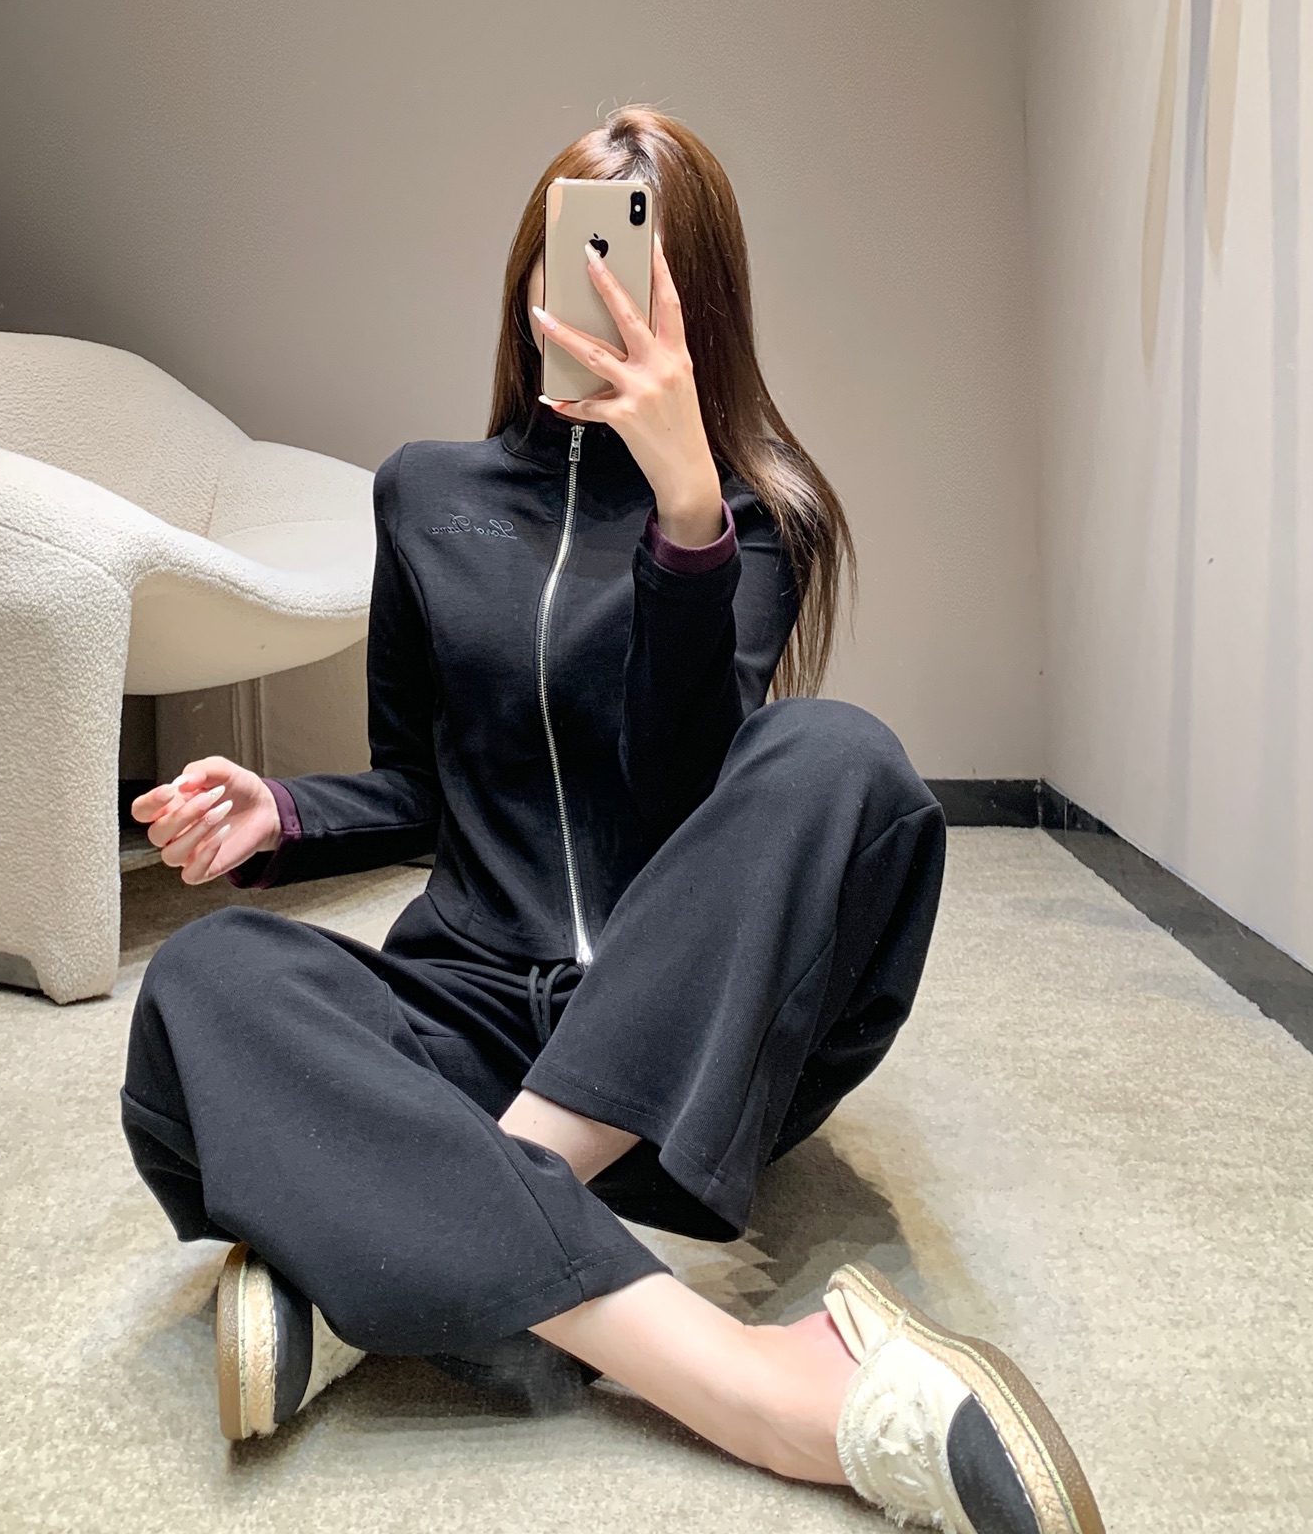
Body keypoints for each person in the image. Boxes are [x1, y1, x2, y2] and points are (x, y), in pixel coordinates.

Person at [123, 109, 1102, 1534]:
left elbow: (689, 783)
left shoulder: (761, 515)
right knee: (211, 976)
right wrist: (279, 810)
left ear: (697, 304)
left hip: (688, 1045)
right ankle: (757, 1383)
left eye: (635, 269)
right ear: (528, 277)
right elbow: (418, 784)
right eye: (567, 256)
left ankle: (388, 1250)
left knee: (837, 753)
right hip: (471, 1011)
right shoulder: (426, 494)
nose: (594, 297)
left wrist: (690, 514)